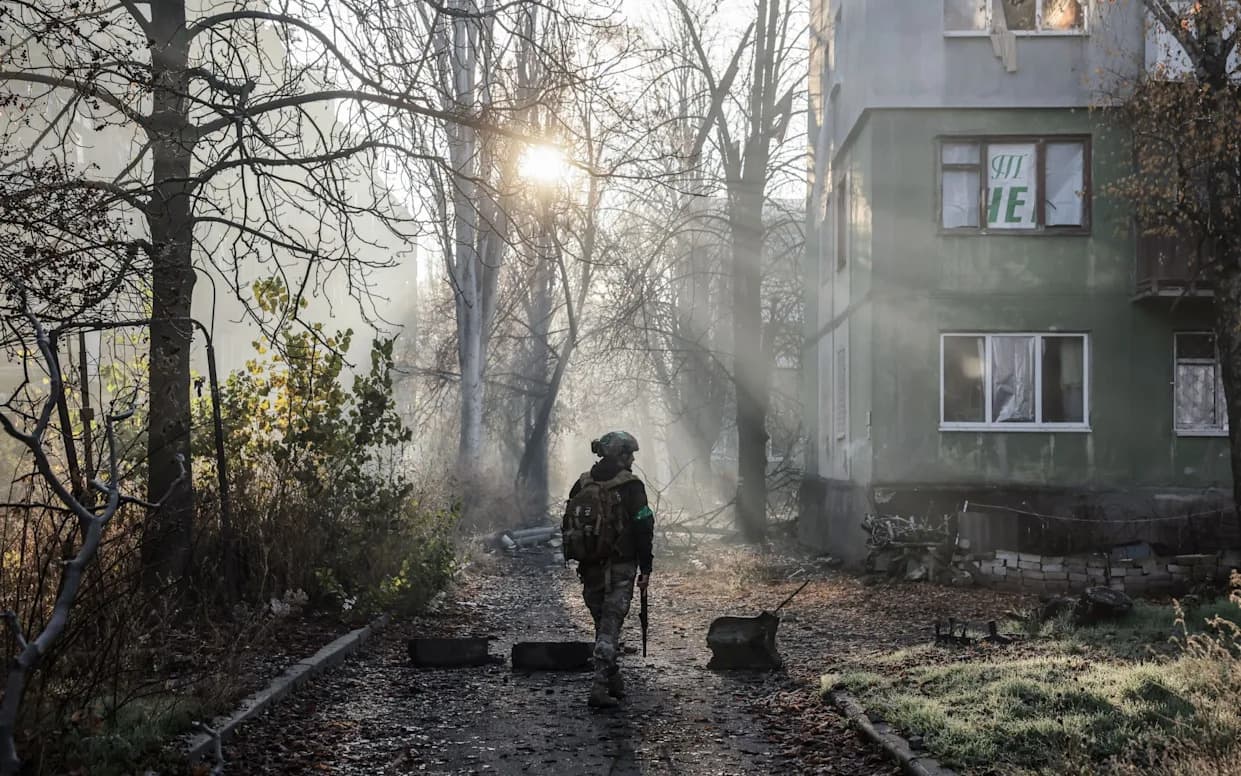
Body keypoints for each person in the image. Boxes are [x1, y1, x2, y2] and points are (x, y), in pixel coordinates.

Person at [567, 430, 654, 709]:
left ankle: (613, 678)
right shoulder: (631, 487)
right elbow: (644, 528)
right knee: (610, 625)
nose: (632, 459)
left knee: (604, 625)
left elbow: (569, 524)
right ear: (620, 455)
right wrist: (646, 567)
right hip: (621, 565)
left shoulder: (581, 484)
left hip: (589, 567)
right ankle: (599, 687)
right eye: (629, 454)